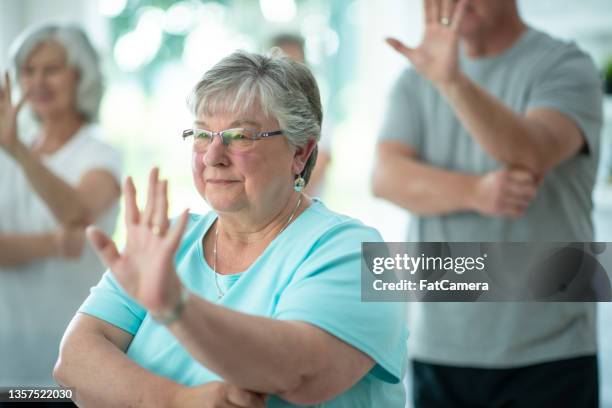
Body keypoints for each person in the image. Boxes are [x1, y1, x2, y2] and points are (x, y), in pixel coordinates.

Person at [54, 50, 407, 407]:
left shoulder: (356, 253)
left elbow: (299, 374)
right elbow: (75, 361)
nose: (213, 156)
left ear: (300, 152)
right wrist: (176, 400)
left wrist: (177, 307)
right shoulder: (168, 240)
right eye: (203, 134)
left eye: (240, 136)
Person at [372, 0, 602, 406]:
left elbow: (530, 152)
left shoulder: (566, 65)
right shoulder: (416, 79)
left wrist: (452, 82)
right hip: (438, 347)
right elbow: (386, 178)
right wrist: (475, 192)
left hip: (550, 351)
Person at [0, 23, 122, 393]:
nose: (38, 82)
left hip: (75, 357)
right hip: (7, 356)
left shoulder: (99, 153)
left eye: (51, 69)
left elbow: (76, 214)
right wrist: (54, 244)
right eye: (29, 70)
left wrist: (19, 150)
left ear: (80, 76)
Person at [269, 33, 333, 196]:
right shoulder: (260, 111)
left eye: (293, 64)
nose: (285, 73)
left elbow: (322, 160)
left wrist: (287, 203)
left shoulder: (315, 112)